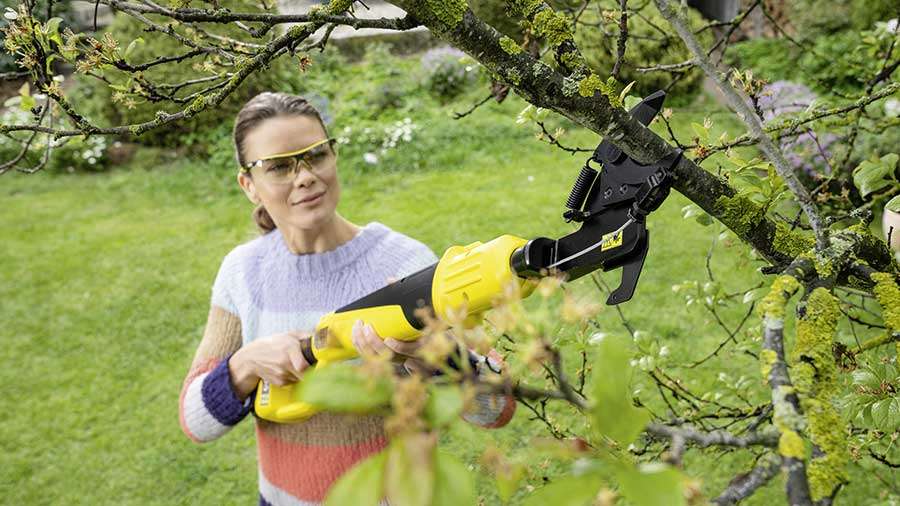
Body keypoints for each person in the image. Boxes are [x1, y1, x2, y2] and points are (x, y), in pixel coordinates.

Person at [178, 92, 516, 505]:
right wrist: (245, 364)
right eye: (280, 167)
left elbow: (496, 409)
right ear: (249, 185)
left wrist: (430, 354)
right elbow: (195, 420)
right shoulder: (241, 271)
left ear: (333, 157)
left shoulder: (405, 263)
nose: (304, 176)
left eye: (315, 155)